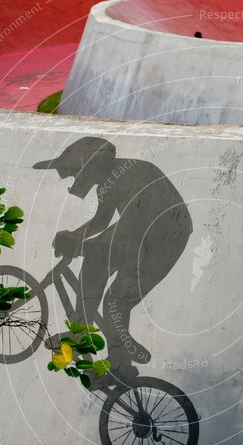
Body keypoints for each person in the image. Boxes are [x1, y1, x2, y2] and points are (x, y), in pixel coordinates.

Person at [34, 137, 193, 370]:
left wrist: (78, 243)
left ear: (88, 163)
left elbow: (128, 226)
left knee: (96, 260)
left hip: (160, 229)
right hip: (164, 235)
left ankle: (82, 332)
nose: (72, 179)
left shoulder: (126, 173)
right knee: (114, 302)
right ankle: (120, 362)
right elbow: (101, 222)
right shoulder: (112, 180)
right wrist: (75, 237)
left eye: (72, 171)